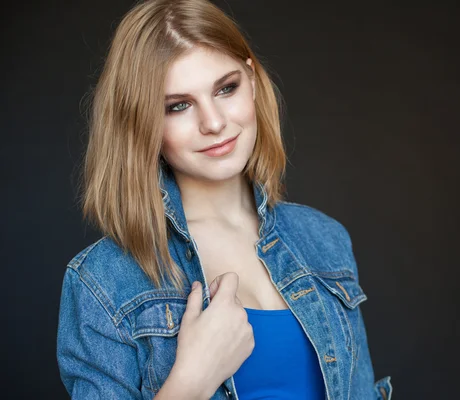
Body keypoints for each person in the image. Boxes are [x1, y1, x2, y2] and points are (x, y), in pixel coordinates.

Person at [56, 0, 393, 399]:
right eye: (178, 106)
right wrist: (194, 378)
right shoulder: (104, 282)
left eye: (226, 88)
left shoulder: (324, 240)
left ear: (251, 80)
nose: (213, 123)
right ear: (141, 122)